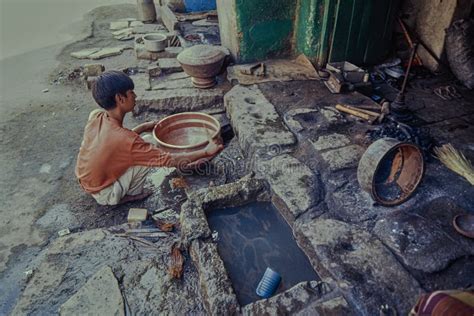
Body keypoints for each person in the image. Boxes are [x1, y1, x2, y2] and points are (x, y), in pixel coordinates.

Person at [75, 70, 222, 205]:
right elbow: (169, 160)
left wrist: (144, 127)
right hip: (103, 192)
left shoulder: (96, 116)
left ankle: (114, 190)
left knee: (146, 140)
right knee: (146, 153)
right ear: (120, 98)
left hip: (87, 181)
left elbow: (117, 143)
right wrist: (205, 152)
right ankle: (124, 196)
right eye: (131, 92)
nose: (135, 96)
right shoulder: (126, 140)